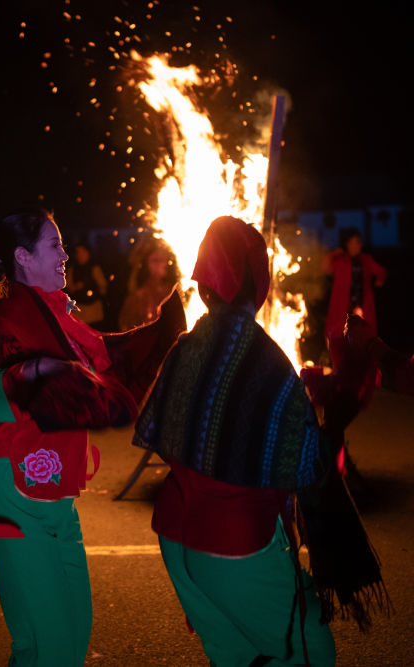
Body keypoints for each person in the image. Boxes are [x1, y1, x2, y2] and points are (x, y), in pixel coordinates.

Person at [0, 208, 183, 666]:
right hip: (15, 493)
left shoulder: (59, 315)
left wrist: (171, 324)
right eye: (54, 245)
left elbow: (112, 360)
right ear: (23, 256)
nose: (65, 254)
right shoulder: (10, 319)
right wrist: (32, 376)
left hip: (56, 497)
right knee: (49, 648)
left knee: (67, 641)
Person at [132, 216, 340, 666]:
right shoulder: (266, 358)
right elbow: (307, 467)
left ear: (203, 283)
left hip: (176, 536)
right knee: (310, 651)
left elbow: (161, 435)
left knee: (236, 657)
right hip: (234, 542)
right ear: (257, 280)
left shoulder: (187, 346)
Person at [323, 228, 386, 367]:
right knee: (340, 337)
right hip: (343, 308)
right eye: (351, 243)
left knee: (364, 339)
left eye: (357, 243)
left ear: (360, 245)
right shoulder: (341, 261)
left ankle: (364, 372)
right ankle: (340, 368)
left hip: (362, 308)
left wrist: (379, 280)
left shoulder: (366, 261)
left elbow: (381, 271)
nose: (354, 246)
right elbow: (326, 268)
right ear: (347, 245)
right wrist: (333, 254)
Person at [118, 236, 179, 330]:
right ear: (146, 264)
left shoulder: (173, 290)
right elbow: (127, 326)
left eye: (164, 259)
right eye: (156, 260)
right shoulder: (139, 296)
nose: (161, 264)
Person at [65, 242, 108, 328]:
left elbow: (103, 287)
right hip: (79, 311)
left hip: (93, 311)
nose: (79, 255)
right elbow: (68, 287)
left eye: (82, 252)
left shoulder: (94, 268)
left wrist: (90, 289)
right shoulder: (72, 269)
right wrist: (75, 287)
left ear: (88, 253)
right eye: (78, 252)